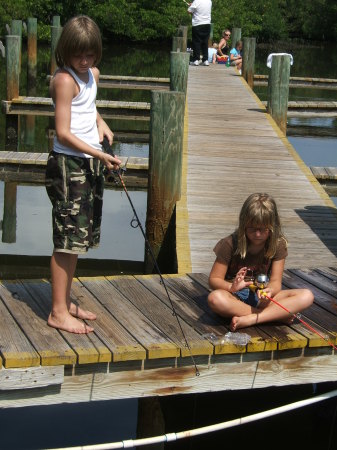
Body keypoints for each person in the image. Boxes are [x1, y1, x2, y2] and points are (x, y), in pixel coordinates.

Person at [45, 15, 121, 334]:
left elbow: (86, 108)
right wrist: (100, 154)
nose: (85, 59)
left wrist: (101, 123)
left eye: (90, 54)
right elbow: (62, 132)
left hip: (87, 163)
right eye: (78, 54)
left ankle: (64, 300)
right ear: (66, 50)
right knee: (66, 240)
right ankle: (57, 312)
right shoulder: (64, 80)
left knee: (79, 239)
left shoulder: (92, 74)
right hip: (68, 167)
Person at [208, 193, 314, 331]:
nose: (257, 234)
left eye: (263, 229)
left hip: (262, 298)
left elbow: (276, 282)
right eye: (252, 228)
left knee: (307, 296)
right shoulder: (229, 244)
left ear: (273, 226)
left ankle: (252, 318)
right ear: (243, 224)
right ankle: (275, 316)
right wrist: (231, 288)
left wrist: (270, 291)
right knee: (215, 299)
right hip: (235, 297)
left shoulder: (278, 244)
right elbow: (213, 280)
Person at [187, 0, 212, 66]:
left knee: (196, 42)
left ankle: (196, 60)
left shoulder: (196, 1)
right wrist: (193, 5)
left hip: (197, 24)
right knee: (205, 42)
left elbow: (189, 11)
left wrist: (190, 6)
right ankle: (205, 60)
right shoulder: (209, 1)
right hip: (207, 24)